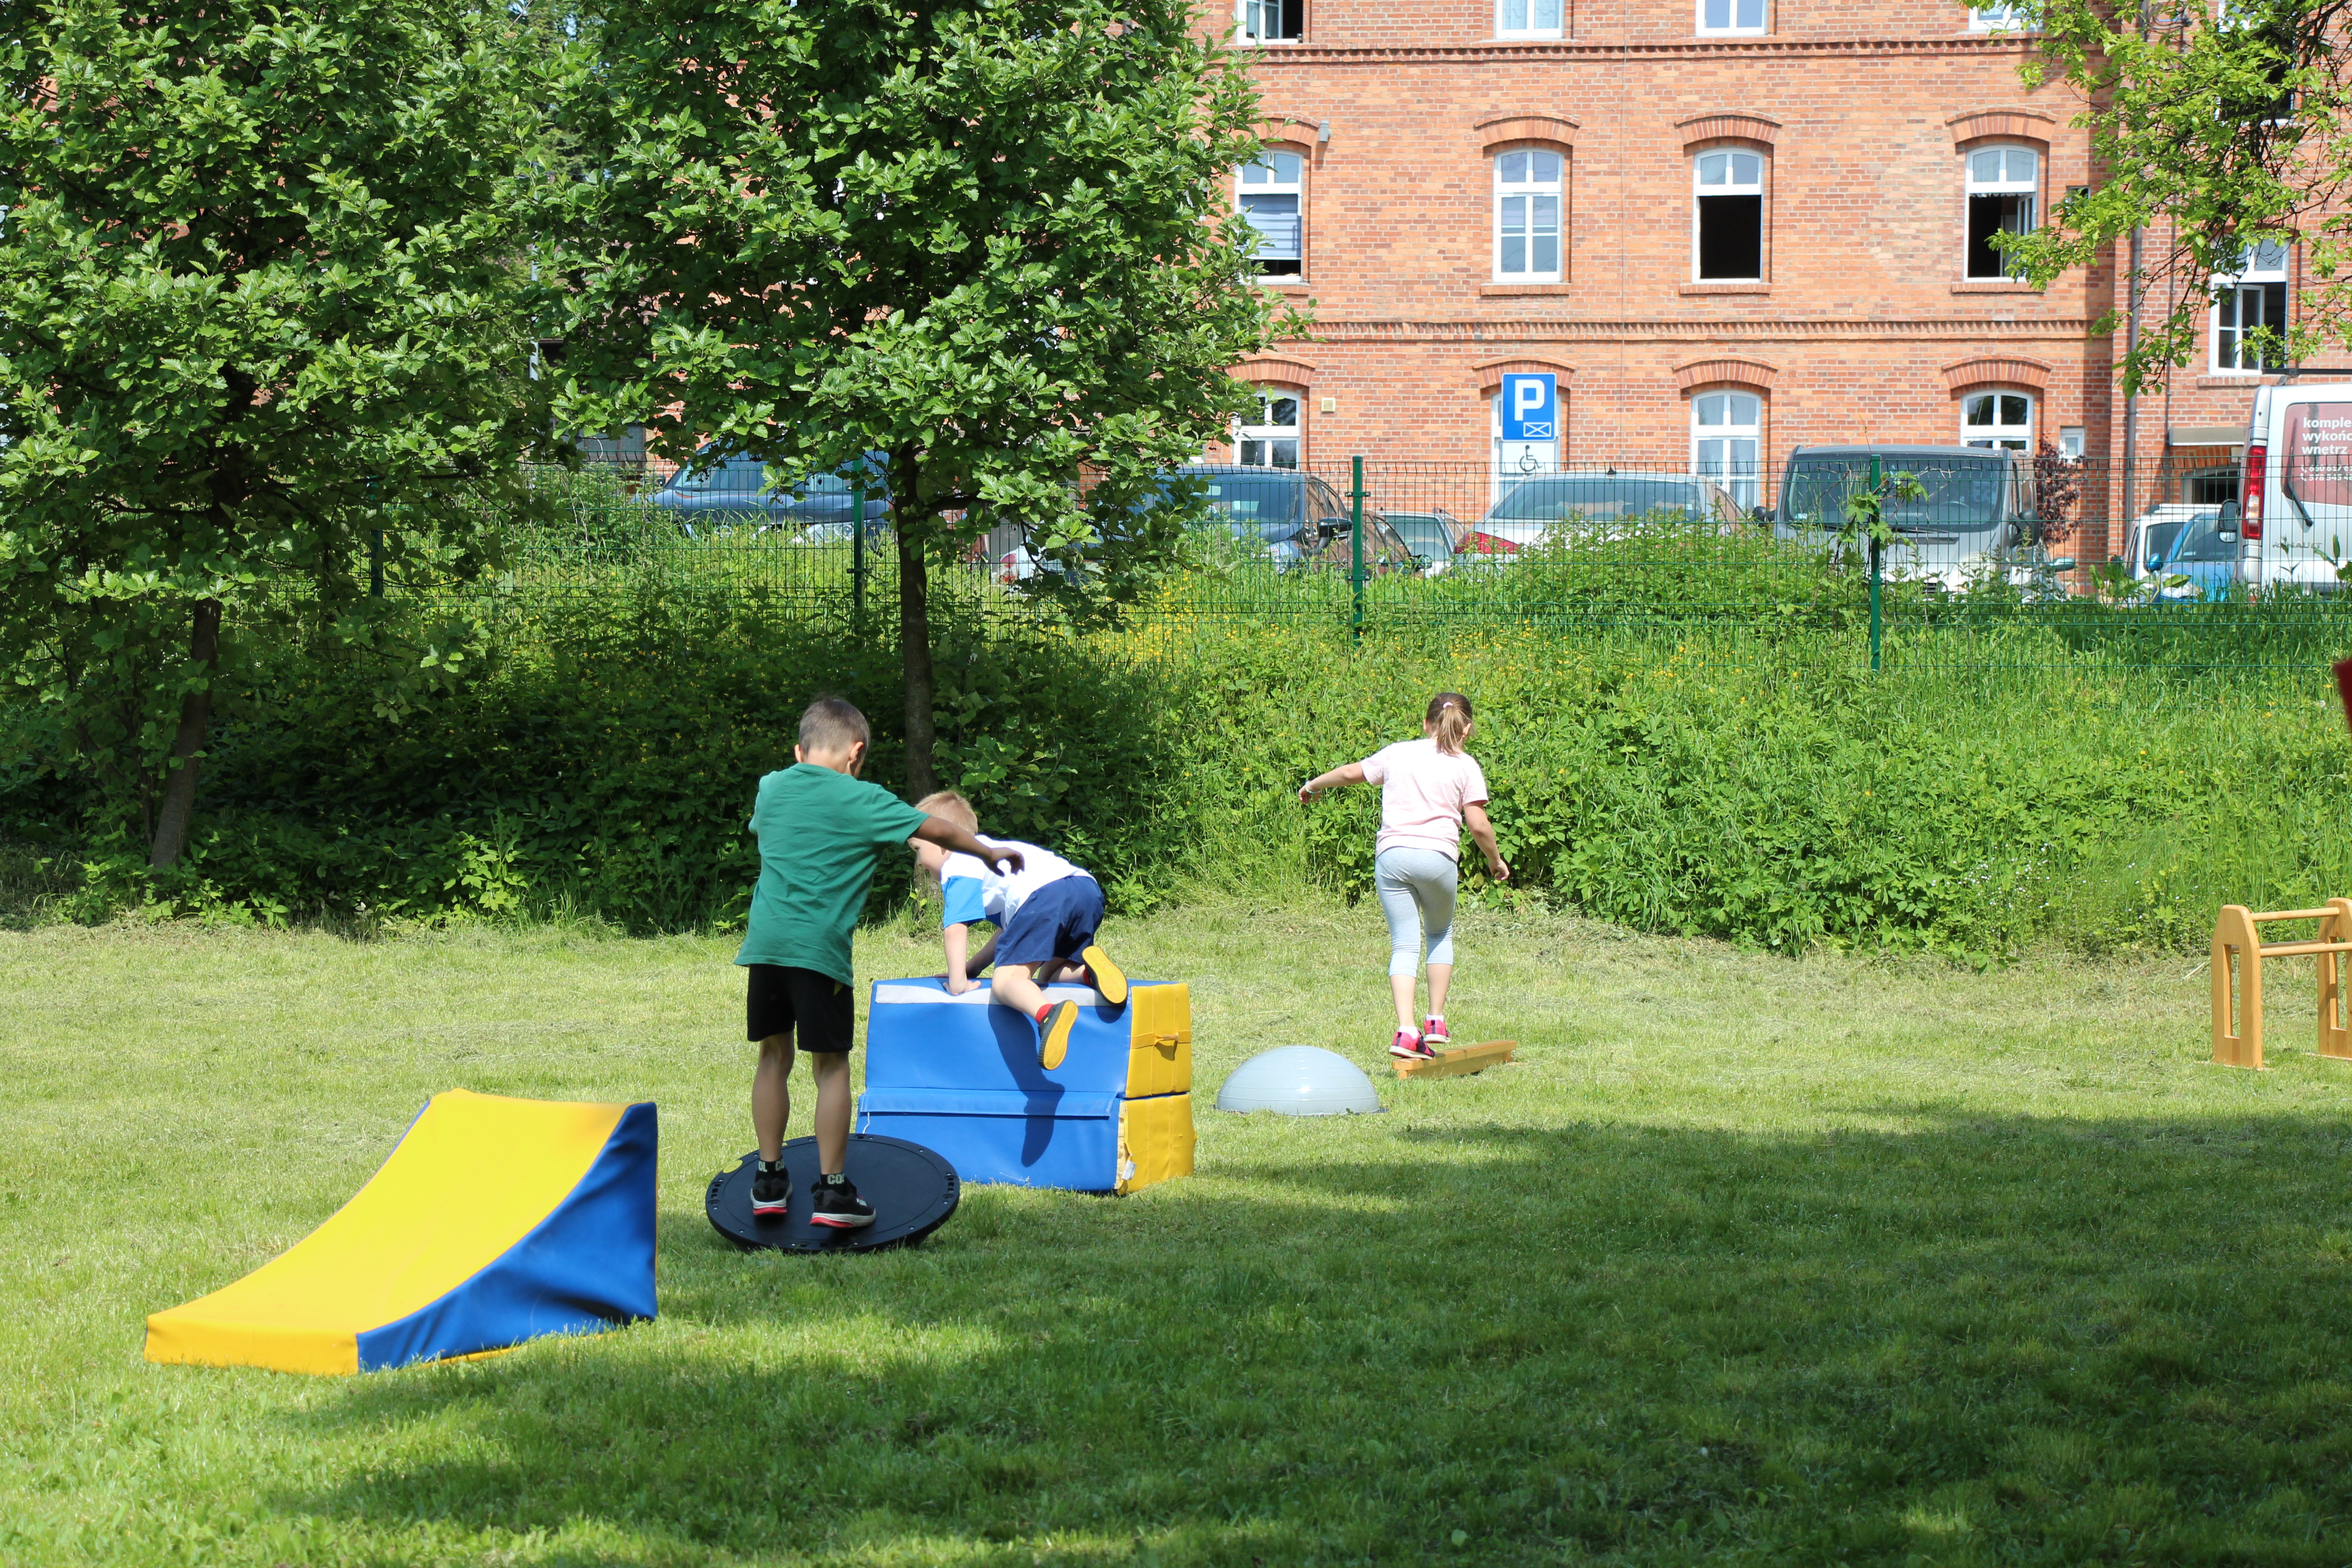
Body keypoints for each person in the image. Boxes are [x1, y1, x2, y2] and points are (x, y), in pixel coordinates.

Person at [738, 698, 1021, 1227]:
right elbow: (937, 830)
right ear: (857, 753)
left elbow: (770, 827)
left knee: (773, 1058)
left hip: (766, 946)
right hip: (818, 952)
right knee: (831, 1067)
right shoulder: (863, 798)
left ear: (800, 750)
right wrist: (987, 854)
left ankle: (769, 1180)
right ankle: (833, 1194)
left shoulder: (772, 786)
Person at [1298, 691, 1509, 1061]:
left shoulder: (1397, 752)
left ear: (1425, 724)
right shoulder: (1466, 765)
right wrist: (1496, 860)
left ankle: (1407, 1030)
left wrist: (1313, 785)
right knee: (1440, 932)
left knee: (1405, 945)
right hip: (1438, 858)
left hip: (1392, 858)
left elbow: (1350, 773)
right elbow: (1478, 824)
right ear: (1468, 729)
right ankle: (1436, 1021)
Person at [907, 790, 1128, 1071]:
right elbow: (1012, 930)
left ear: (941, 841)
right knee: (1050, 973)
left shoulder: (958, 861)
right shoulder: (989, 852)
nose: (919, 862)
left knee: (1006, 982)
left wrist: (958, 981)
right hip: (1084, 889)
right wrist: (974, 966)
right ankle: (1090, 973)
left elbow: (955, 927)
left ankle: (1048, 1015)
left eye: (918, 850)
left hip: (1042, 899)